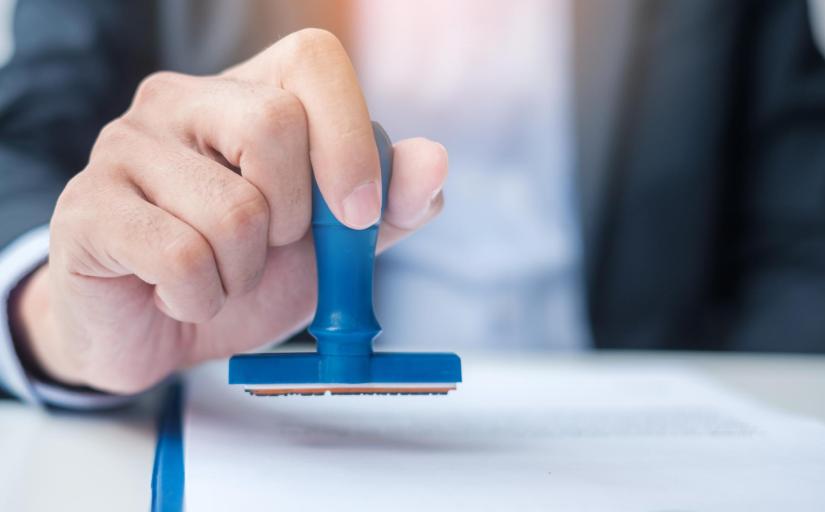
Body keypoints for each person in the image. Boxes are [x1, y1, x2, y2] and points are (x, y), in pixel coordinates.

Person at [1, 0, 824, 409]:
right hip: (266, 428)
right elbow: (25, 148)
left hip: (646, 430)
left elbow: (803, 240)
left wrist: (734, 431)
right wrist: (58, 317)